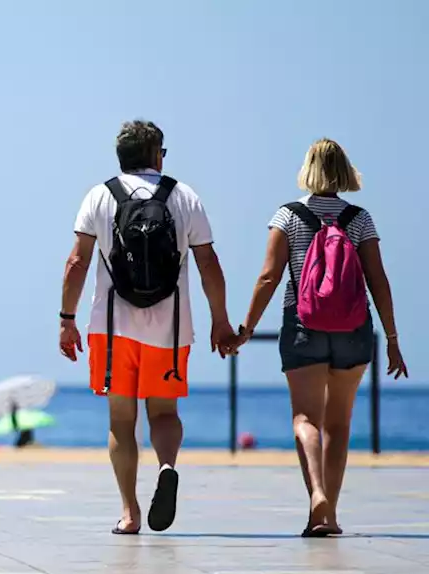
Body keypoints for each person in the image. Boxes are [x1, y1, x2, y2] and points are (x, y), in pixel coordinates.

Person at [59, 120, 237, 535]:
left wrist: (67, 321)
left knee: (122, 420)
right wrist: (221, 321)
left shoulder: (100, 196)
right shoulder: (183, 196)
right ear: (157, 154)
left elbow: (76, 263)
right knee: (164, 412)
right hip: (171, 328)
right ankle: (168, 466)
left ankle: (129, 512)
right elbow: (209, 263)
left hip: (111, 327)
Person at [232, 138, 407, 537]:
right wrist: (393, 338)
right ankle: (329, 514)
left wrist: (246, 330)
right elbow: (378, 280)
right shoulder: (360, 219)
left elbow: (268, 277)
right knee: (339, 424)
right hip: (353, 329)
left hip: (303, 325)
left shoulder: (288, 215)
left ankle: (316, 496)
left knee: (305, 418)